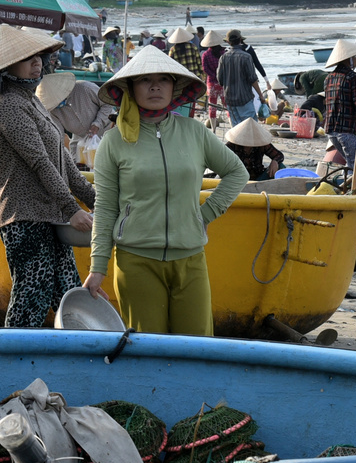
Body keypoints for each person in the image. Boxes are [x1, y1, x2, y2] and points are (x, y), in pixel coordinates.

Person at [85, 46, 247, 335]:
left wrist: (205, 214)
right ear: (130, 88)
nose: (155, 86)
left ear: (175, 87)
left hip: (190, 259)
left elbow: (237, 172)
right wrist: (98, 267)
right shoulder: (114, 142)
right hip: (136, 262)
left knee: (198, 350)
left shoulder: (195, 132)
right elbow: (106, 208)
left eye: (164, 79)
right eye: (145, 80)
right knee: (148, 353)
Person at [0, 26, 96, 329]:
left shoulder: (31, 101)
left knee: (68, 291)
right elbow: (40, 162)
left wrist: (94, 199)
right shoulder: (9, 107)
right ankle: (15, 360)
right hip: (24, 216)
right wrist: (72, 209)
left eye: (38, 57)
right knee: (32, 295)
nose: (37, 63)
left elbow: (64, 162)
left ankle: (73, 357)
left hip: (48, 213)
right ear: (7, 67)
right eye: (27, 59)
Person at [321, 38, 356, 169]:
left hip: (332, 131)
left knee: (351, 164)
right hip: (348, 131)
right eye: (355, 58)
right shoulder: (353, 77)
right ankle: (352, 189)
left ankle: (346, 187)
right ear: (349, 59)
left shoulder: (329, 78)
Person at [218, 29, 265, 128]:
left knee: (237, 130)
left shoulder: (223, 58)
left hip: (230, 99)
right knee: (251, 128)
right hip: (245, 99)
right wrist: (261, 95)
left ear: (228, 42)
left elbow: (220, 80)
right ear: (240, 40)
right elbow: (252, 79)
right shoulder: (246, 57)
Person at [167, 26, 206, 117]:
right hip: (194, 78)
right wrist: (201, 75)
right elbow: (199, 63)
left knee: (180, 99)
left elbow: (170, 67)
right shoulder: (193, 47)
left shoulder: (173, 50)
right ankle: (190, 116)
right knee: (192, 99)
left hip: (181, 79)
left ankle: (180, 116)